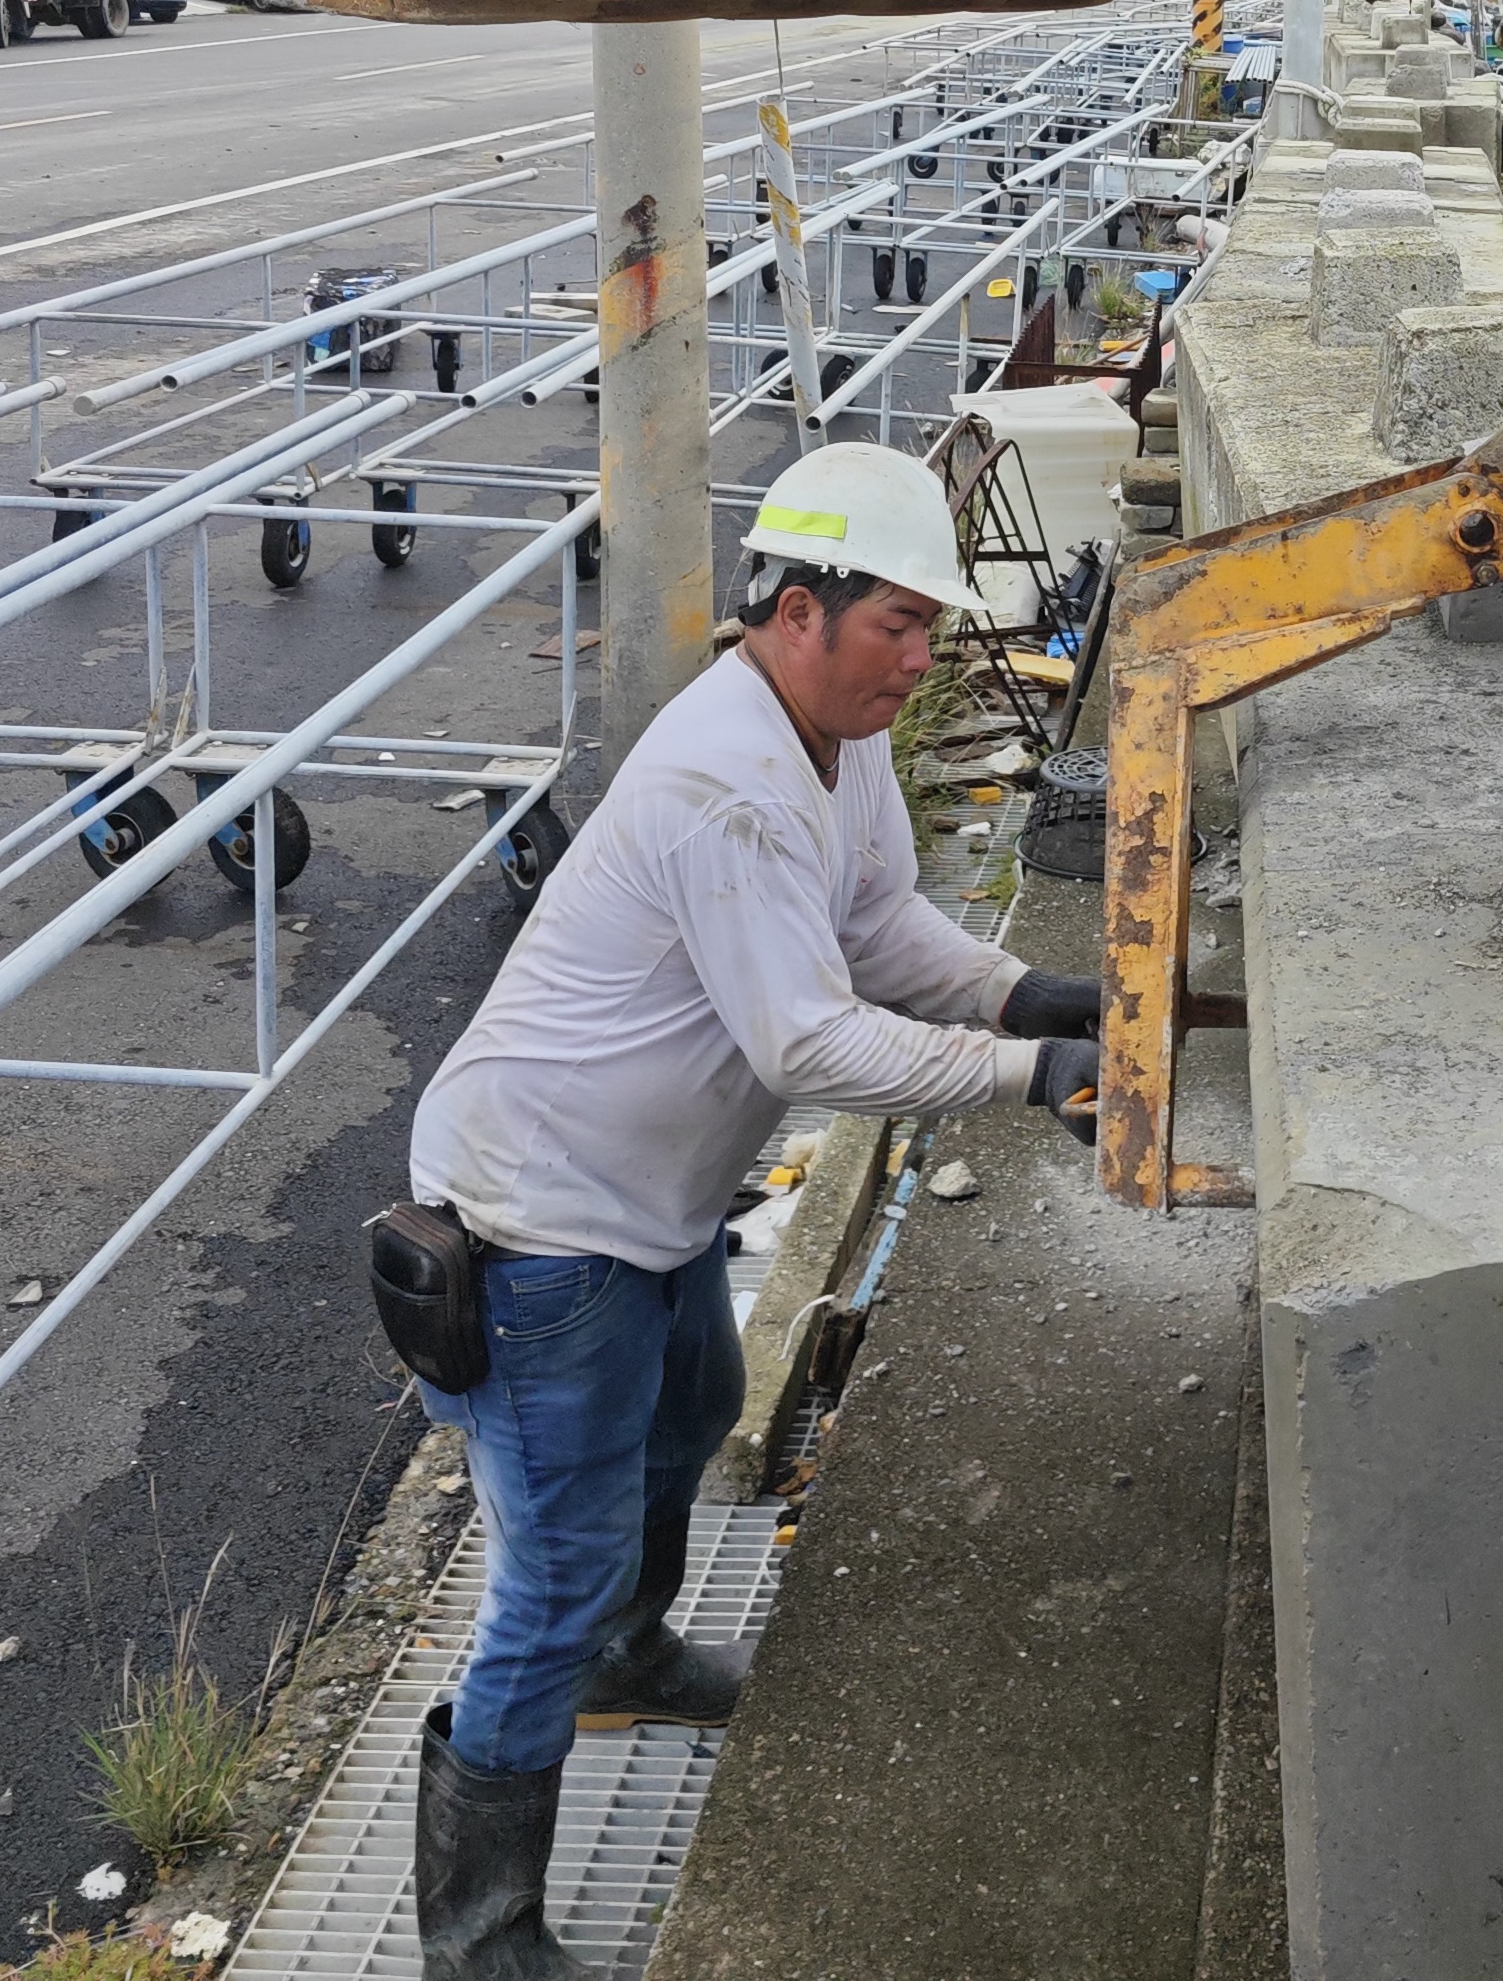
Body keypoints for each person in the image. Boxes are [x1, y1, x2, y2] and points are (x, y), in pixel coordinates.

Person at [397, 442, 1105, 1980]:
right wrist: (1030, 1070)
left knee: (698, 1402)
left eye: (931, 629)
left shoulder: (833, 751)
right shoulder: (727, 778)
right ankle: (479, 1930)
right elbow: (808, 1038)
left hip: (644, 1199)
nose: (920, 661)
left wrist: (1030, 990)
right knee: (553, 1565)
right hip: (538, 1218)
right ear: (797, 608)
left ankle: (624, 1659)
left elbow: (883, 929)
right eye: (897, 627)